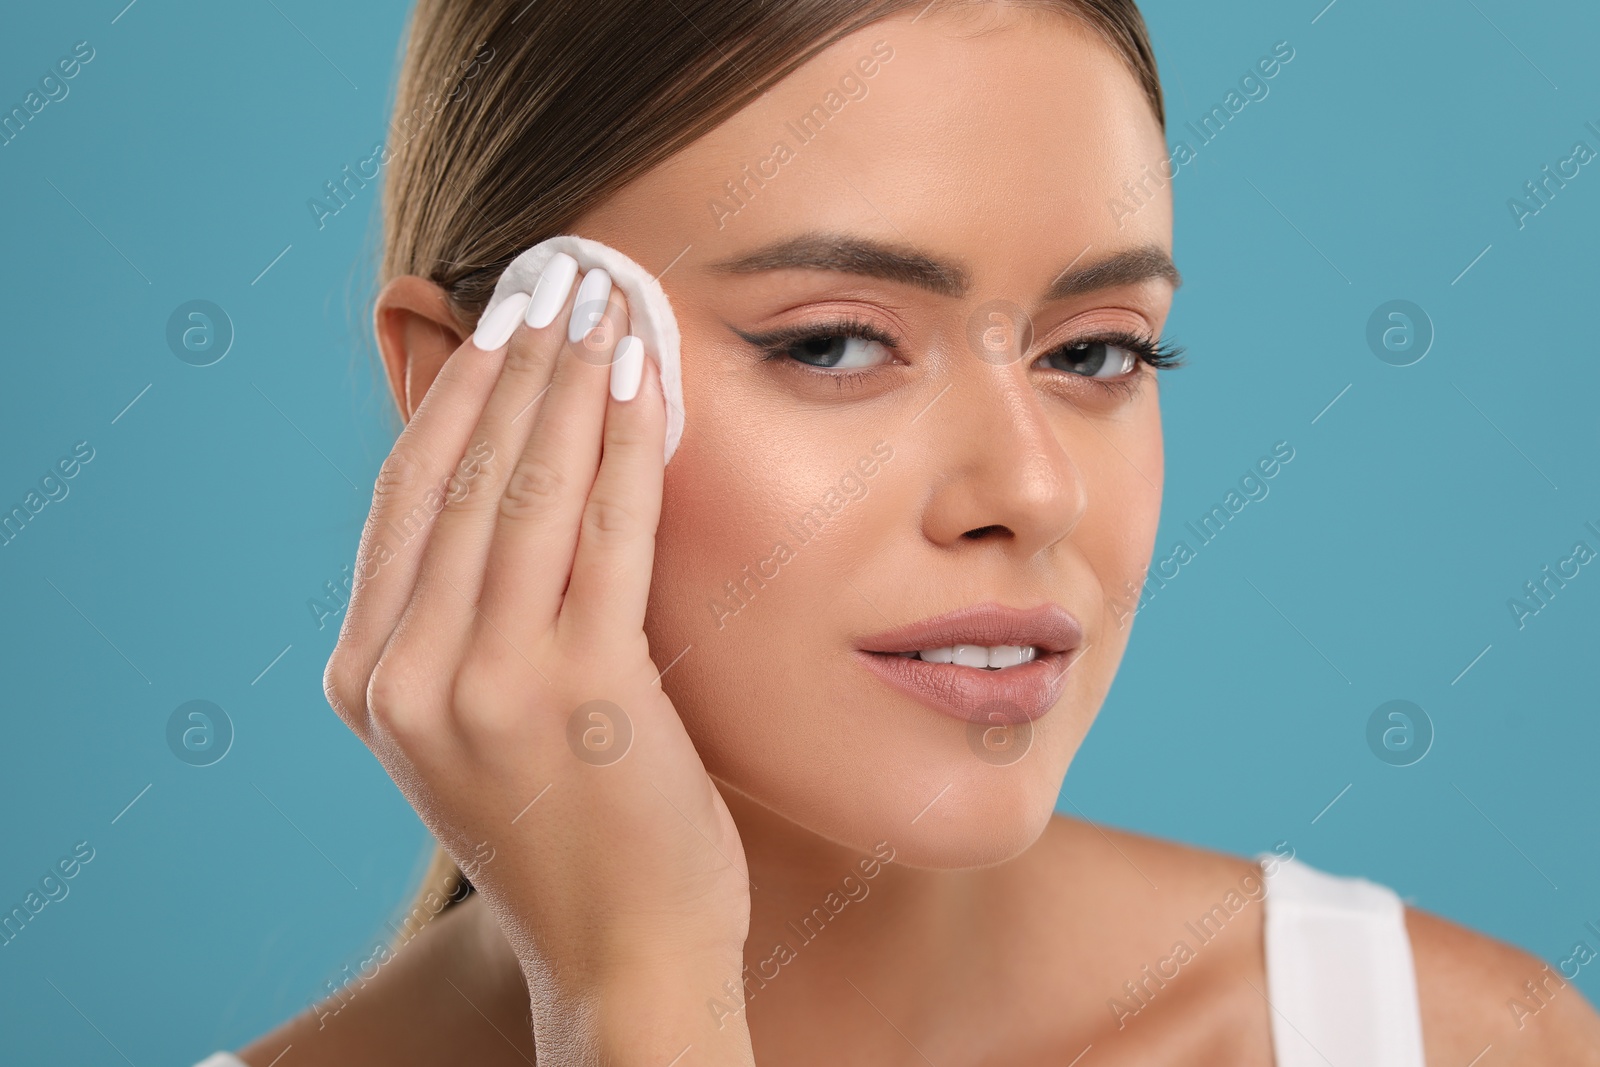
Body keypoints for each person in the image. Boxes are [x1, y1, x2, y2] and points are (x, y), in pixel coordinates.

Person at [201, 0, 1600, 1063]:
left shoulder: (1451, 1039)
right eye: (833, 343)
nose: (1034, 491)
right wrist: (639, 993)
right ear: (468, 393)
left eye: (1098, 353)